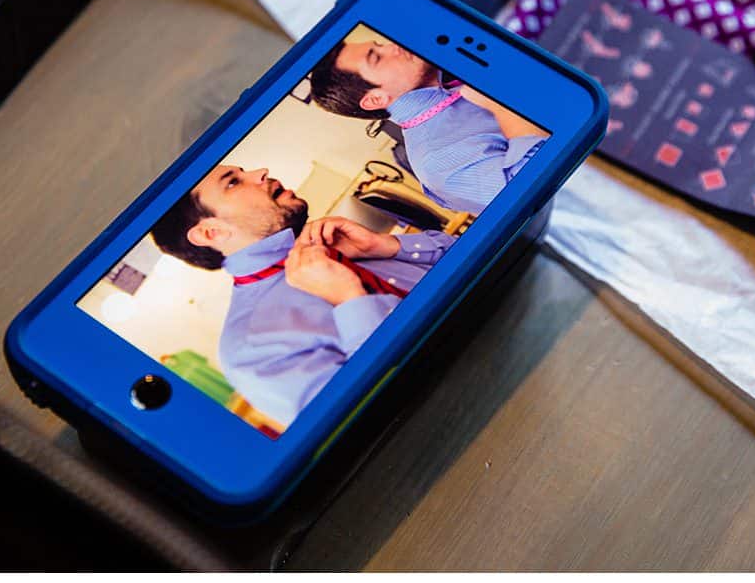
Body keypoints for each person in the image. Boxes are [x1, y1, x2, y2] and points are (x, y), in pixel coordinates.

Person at [150, 164, 454, 427]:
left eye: (243, 171)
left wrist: (388, 246)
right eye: (233, 182)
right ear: (211, 233)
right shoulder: (248, 349)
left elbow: (471, 254)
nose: (260, 172)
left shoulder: (338, 240)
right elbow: (379, 418)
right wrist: (352, 302)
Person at [308, 38, 548, 214]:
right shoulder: (435, 162)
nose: (394, 46)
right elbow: (534, 192)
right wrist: (501, 106)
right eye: (377, 58)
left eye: (380, 44)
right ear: (375, 99)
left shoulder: (453, 57)